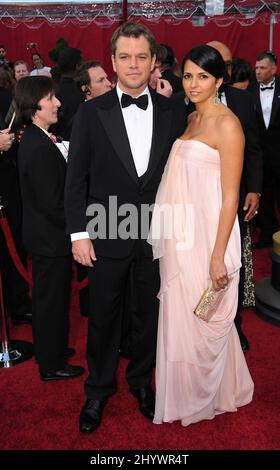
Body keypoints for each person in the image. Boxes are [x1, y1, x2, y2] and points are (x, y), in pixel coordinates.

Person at [64, 22, 186, 433]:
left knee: (148, 314)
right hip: (105, 231)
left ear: (154, 61)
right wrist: (79, 233)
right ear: (113, 60)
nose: (132, 64)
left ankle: (140, 383)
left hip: (156, 233)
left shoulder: (174, 111)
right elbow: (75, 178)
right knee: (102, 316)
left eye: (140, 56)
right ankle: (97, 390)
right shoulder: (90, 112)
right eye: (124, 56)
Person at [148, 44, 254, 426]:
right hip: (180, 236)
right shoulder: (190, 118)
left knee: (202, 316)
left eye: (203, 77)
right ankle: (188, 390)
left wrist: (217, 254)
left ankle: (202, 395)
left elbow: (230, 197)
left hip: (209, 237)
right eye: (188, 75)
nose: (193, 84)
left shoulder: (228, 124)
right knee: (181, 313)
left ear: (219, 80)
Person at [15, 76, 84, 381]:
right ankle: (51, 363)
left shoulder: (37, 137)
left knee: (51, 299)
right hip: (49, 237)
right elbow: (51, 203)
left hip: (47, 235)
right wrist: (79, 230)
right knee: (51, 301)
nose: (58, 103)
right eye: (51, 98)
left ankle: (50, 350)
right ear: (34, 107)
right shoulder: (38, 145)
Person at [207, 41, 263, 352]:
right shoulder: (184, 99)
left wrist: (254, 188)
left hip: (236, 196)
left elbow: (254, 148)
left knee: (234, 265)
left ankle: (234, 327)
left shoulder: (242, 99)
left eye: (228, 64)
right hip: (198, 199)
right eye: (218, 62)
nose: (225, 69)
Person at [248, 51, 280, 249]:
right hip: (259, 155)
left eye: (262, 68)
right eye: (256, 68)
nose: (258, 72)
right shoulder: (249, 91)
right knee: (264, 195)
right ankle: (267, 233)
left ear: (274, 69)